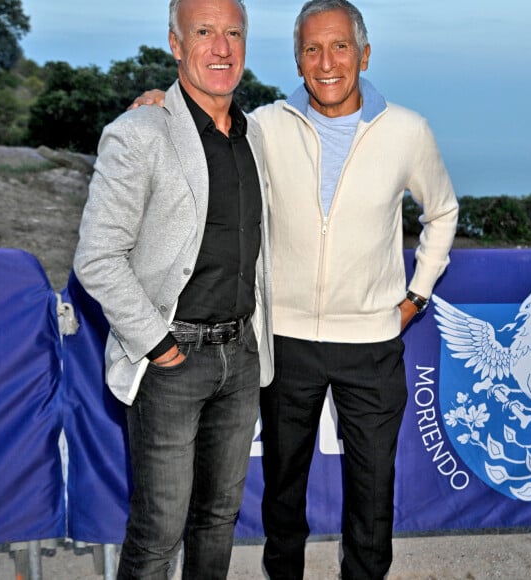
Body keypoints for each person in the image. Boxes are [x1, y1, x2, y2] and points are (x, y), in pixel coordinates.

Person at [132, 1, 458, 577]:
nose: (327, 62)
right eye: (312, 49)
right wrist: (158, 104)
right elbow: (204, 119)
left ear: (364, 53)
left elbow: (444, 211)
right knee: (282, 496)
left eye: (339, 47)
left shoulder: (409, 131)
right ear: (298, 60)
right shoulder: (264, 127)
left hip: (372, 343)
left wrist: (418, 294)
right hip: (283, 341)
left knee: (372, 496)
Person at [73, 0, 273, 578]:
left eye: (233, 33)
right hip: (170, 362)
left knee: (218, 520)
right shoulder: (139, 133)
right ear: (176, 44)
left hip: (241, 358)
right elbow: (97, 256)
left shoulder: (256, 135)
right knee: (158, 532)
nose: (221, 47)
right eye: (204, 32)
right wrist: (158, 345)